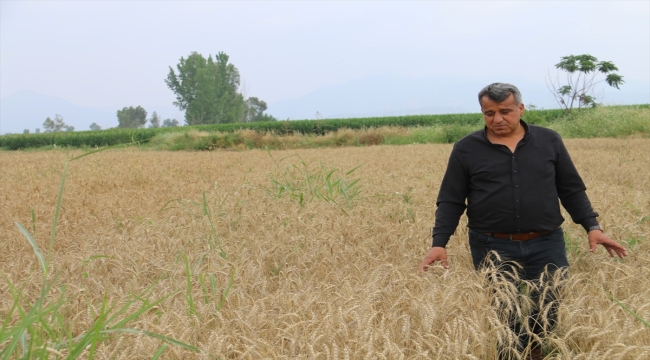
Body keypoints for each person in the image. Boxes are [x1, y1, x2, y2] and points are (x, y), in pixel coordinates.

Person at [417, 83, 627, 359]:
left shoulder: (549, 140)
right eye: (489, 113)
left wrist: (592, 227)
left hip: (546, 241)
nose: (498, 119)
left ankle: (537, 350)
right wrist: (439, 243)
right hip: (492, 244)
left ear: (520, 108)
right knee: (505, 314)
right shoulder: (466, 149)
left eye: (505, 111)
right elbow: (451, 200)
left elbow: (571, 189)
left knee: (550, 306)